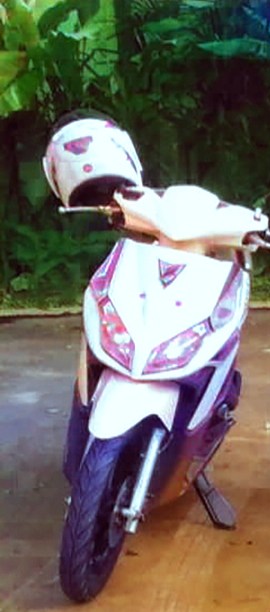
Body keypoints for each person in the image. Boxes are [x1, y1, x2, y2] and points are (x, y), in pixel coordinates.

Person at [41, 111, 144, 483]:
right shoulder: (146, 203)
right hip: (117, 306)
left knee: (93, 367)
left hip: (116, 306)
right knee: (94, 367)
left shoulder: (76, 215)